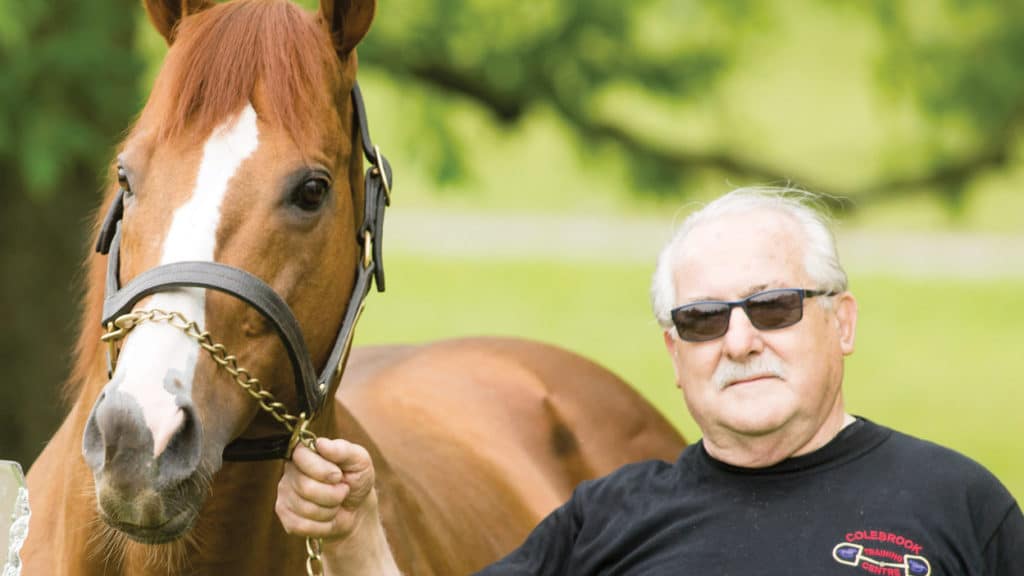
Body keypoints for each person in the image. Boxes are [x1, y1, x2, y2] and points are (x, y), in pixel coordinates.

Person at [275, 187, 1024, 574]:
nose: (739, 341)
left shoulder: (959, 505)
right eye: (703, 319)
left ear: (843, 323)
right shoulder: (606, 521)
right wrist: (357, 535)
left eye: (774, 308)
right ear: (675, 354)